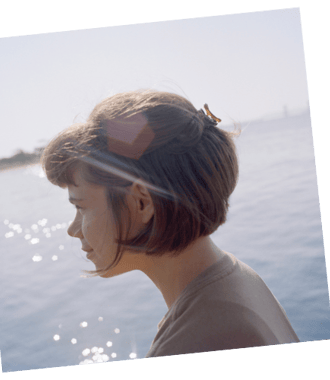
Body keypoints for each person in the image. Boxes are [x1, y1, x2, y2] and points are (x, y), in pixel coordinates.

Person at [40, 89, 300, 358]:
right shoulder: (236, 278)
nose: (72, 229)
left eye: (80, 207)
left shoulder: (194, 342)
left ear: (141, 202)